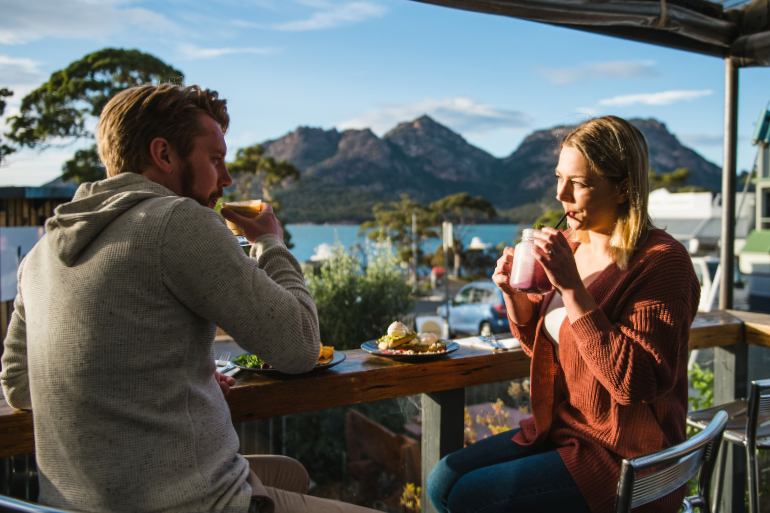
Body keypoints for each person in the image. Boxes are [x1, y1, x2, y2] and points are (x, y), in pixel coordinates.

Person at [0, 84, 375, 513]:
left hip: (70, 506)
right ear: (164, 155)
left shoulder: (40, 253)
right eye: (215, 159)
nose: (227, 178)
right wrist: (271, 243)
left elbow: (17, 386)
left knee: (291, 472)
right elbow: (300, 347)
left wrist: (164, 384)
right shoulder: (177, 221)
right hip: (198, 504)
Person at [427, 116, 701, 513]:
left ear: (624, 187)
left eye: (580, 182)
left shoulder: (662, 263)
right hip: (567, 427)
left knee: (470, 497)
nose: (560, 193)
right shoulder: (571, 245)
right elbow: (547, 347)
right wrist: (513, 296)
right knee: (442, 481)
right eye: (559, 177)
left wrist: (573, 289)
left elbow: (634, 384)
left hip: (626, 454)